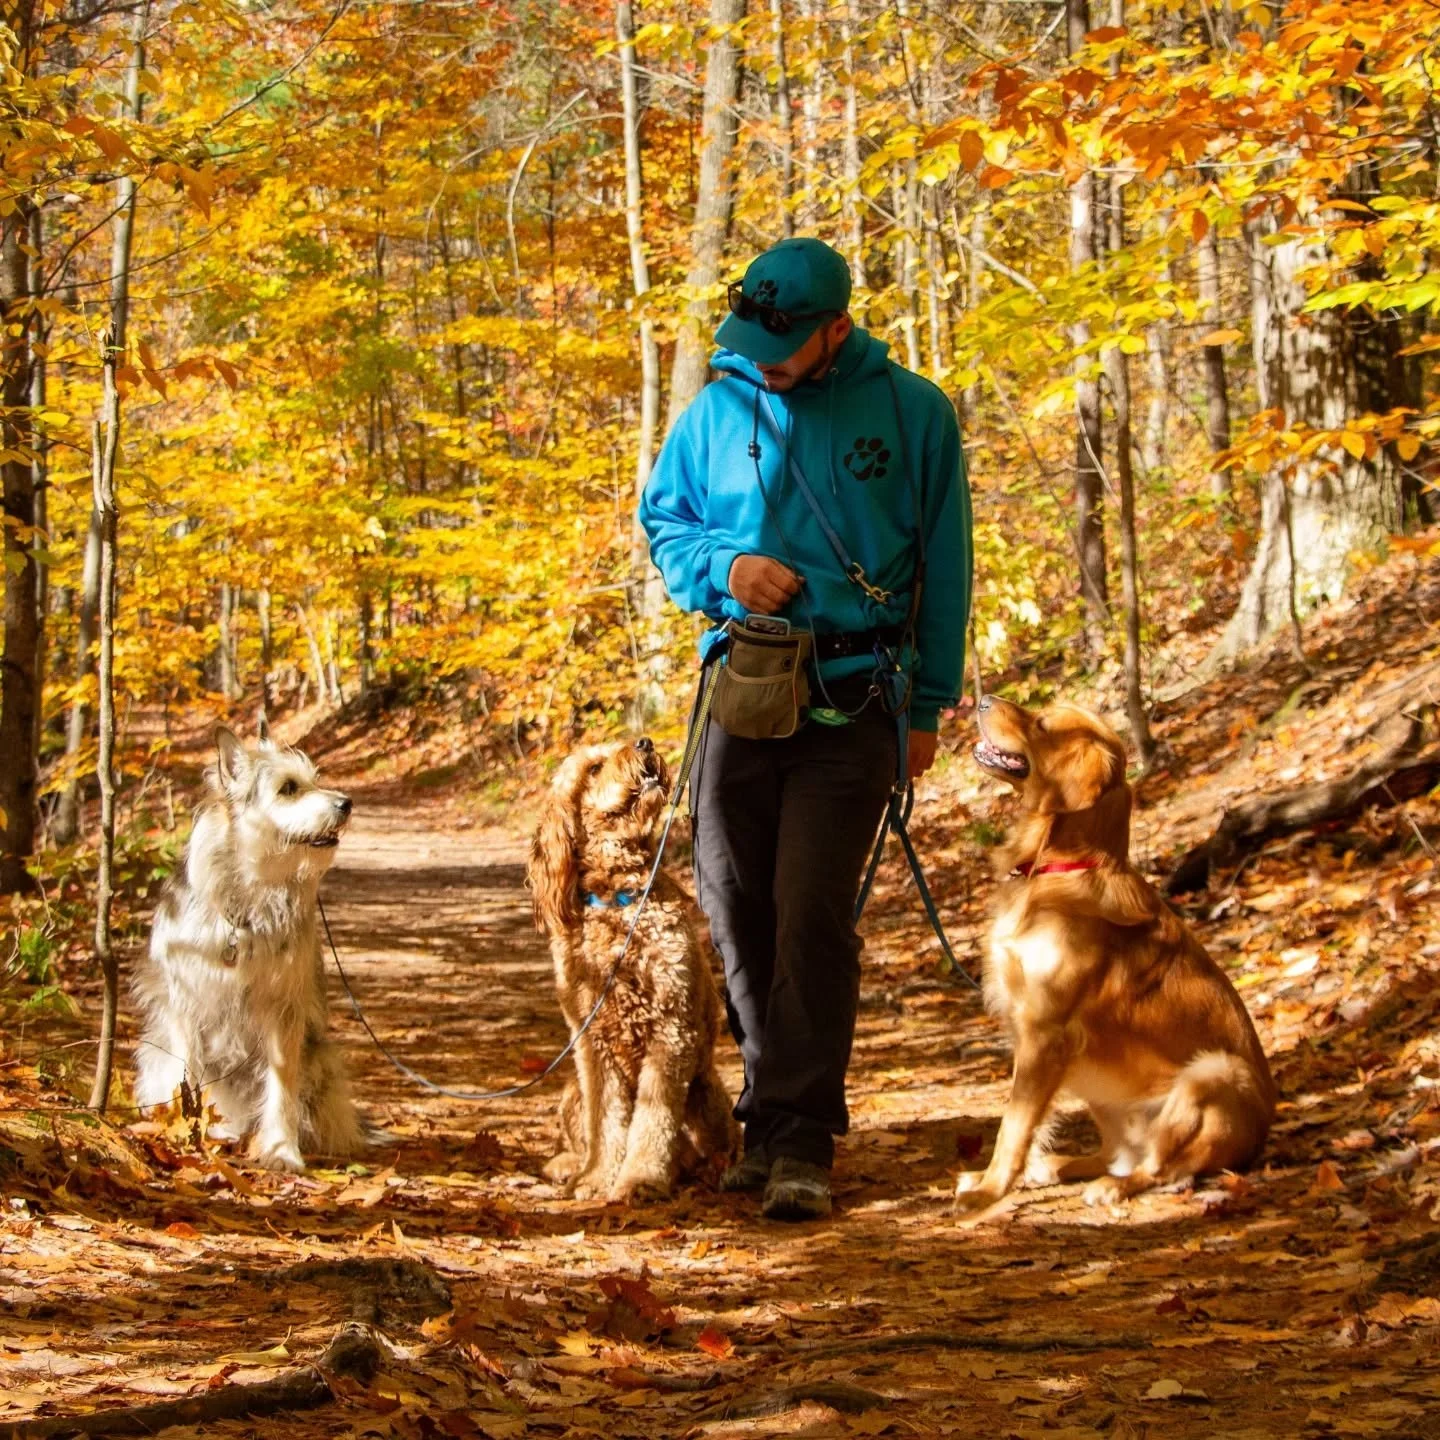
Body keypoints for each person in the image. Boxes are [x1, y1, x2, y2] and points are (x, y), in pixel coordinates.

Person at [639, 237, 973, 1221]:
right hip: (743, 694)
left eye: (783, 344)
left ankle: (800, 1140)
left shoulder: (915, 415)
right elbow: (667, 525)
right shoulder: (717, 408)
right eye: (754, 339)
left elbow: (945, 570)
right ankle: (766, 1113)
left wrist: (927, 709)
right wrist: (727, 570)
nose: (762, 358)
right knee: (737, 909)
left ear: (838, 328)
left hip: (858, 699)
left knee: (810, 911)